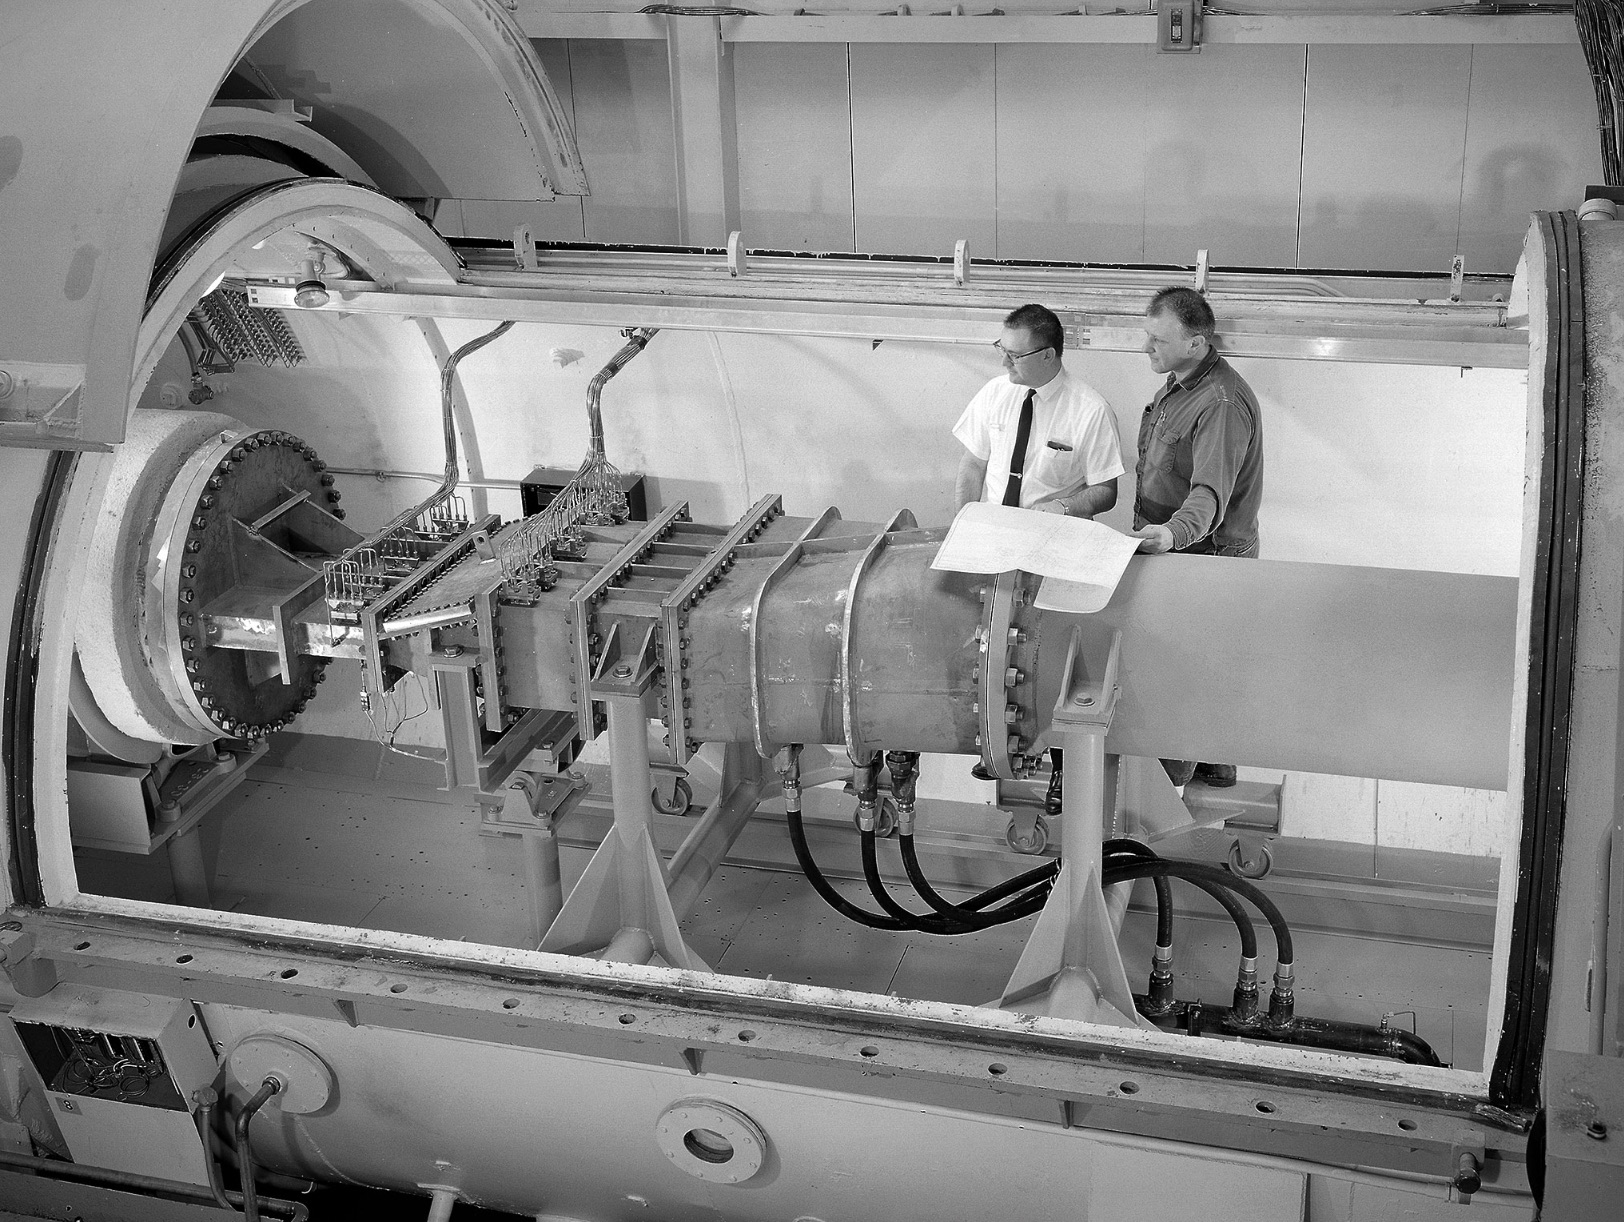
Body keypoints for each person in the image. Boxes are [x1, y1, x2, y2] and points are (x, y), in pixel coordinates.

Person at [953, 302, 1125, 814]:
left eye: (1015, 354)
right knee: (985, 646)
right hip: (994, 543)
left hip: (1054, 548)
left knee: (1048, 661)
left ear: (1048, 355)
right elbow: (972, 464)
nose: (1004, 362)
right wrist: (963, 523)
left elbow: (1107, 491)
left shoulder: (1089, 410)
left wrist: (1065, 506)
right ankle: (994, 742)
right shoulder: (995, 393)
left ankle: (1064, 767)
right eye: (1001, 350)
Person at [1131, 286, 1264, 788]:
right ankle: (1212, 758)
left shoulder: (1221, 405)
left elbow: (1209, 495)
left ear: (1196, 343)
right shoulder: (1181, 381)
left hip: (1203, 553)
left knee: (1185, 670)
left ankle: (1172, 786)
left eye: (1158, 340)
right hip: (1172, 544)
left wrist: (1170, 534)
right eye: (1147, 335)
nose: (1146, 347)